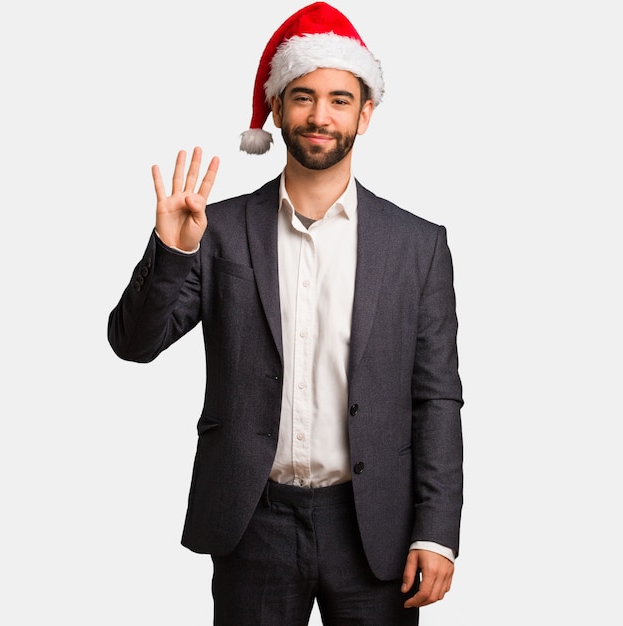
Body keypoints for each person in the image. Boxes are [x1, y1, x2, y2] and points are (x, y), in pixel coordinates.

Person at [107, 2, 464, 624]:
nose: (320, 116)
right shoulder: (217, 230)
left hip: (372, 522)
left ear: (366, 113)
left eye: (339, 99)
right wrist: (171, 248)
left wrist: (436, 531)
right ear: (277, 108)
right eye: (302, 97)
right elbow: (134, 343)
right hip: (254, 519)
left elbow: (435, 397)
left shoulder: (418, 245)